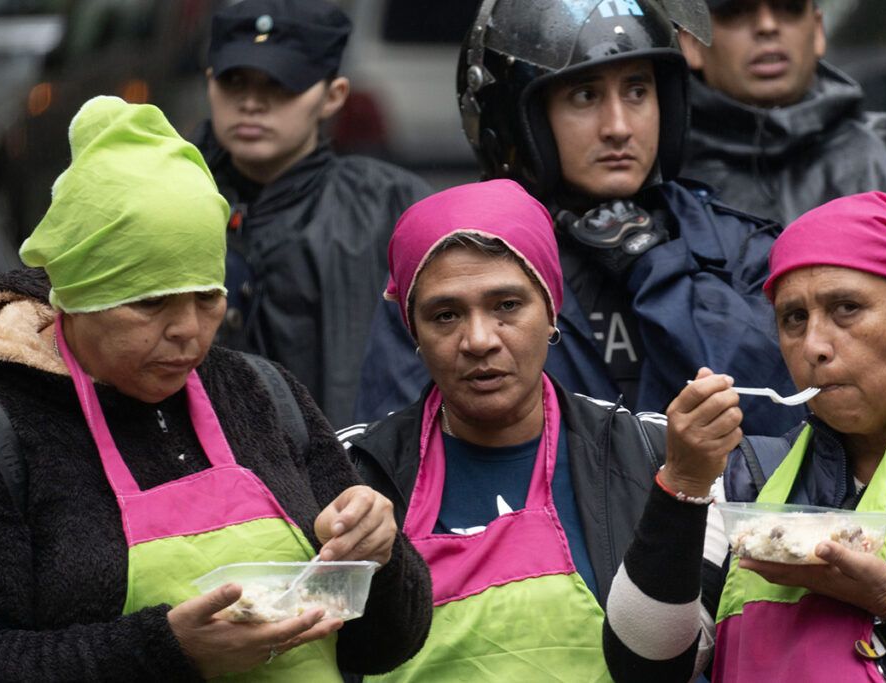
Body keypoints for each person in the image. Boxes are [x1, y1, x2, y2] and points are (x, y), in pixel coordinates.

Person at [0, 96, 431, 680]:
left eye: (207, 297)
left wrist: (379, 558)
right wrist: (169, 650)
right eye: (150, 303)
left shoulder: (263, 394)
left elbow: (387, 646)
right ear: (77, 298)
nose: (189, 332)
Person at [354, 0, 802, 437]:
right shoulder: (449, 264)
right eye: (585, 96)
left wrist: (656, 266)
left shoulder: (738, 246)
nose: (619, 126)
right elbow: (397, 459)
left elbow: (776, 418)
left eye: (637, 91)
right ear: (518, 117)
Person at [603, 191, 886, 682]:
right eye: (794, 319)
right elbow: (644, 668)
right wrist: (682, 483)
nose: (813, 346)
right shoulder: (751, 477)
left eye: (846, 308)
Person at [339, 180, 675, 680]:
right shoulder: (353, 473)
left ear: (550, 310)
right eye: (446, 315)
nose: (478, 340)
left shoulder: (651, 455)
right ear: (415, 332)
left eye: (507, 306)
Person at [192, 0, 432, 426]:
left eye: (281, 84)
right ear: (210, 83)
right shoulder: (171, 199)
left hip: (358, 477)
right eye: (234, 81)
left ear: (333, 96)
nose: (251, 102)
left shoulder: (391, 205)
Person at [677, 0, 886, 319]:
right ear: (691, 43)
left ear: (817, 30)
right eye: (736, 11)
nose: (767, 27)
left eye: (788, 8)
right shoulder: (663, 182)